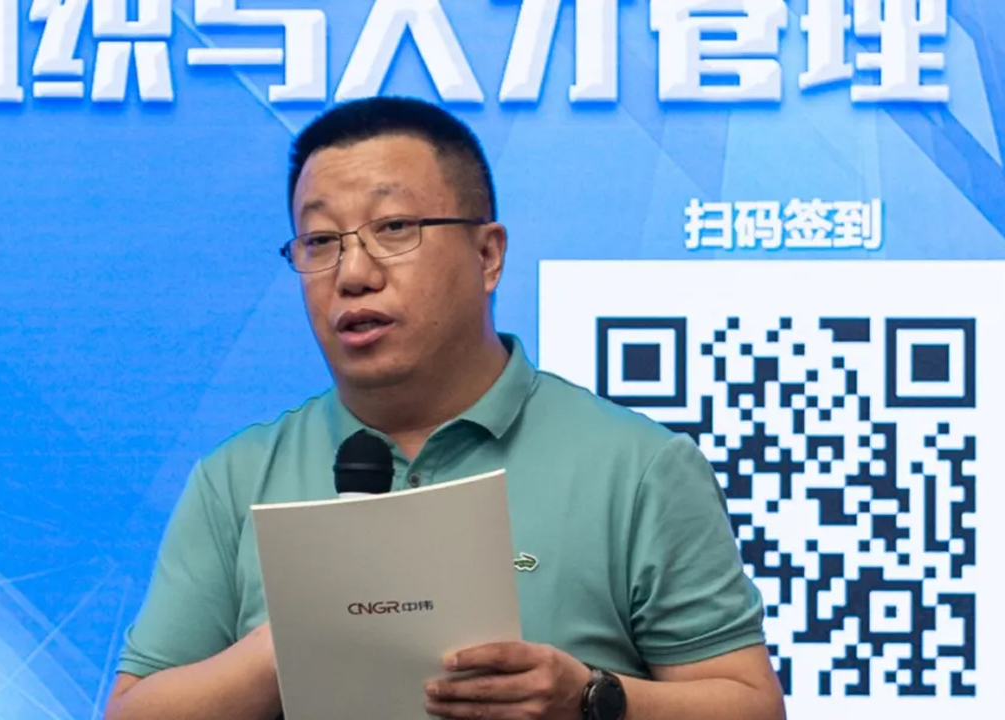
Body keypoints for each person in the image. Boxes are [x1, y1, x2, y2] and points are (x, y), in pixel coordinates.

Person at [103, 96, 786, 720]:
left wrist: (590, 698)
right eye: (320, 242)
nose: (353, 273)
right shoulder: (237, 477)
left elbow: (751, 707)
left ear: (487, 255)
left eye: (394, 227)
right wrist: (293, 642)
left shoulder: (636, 468)